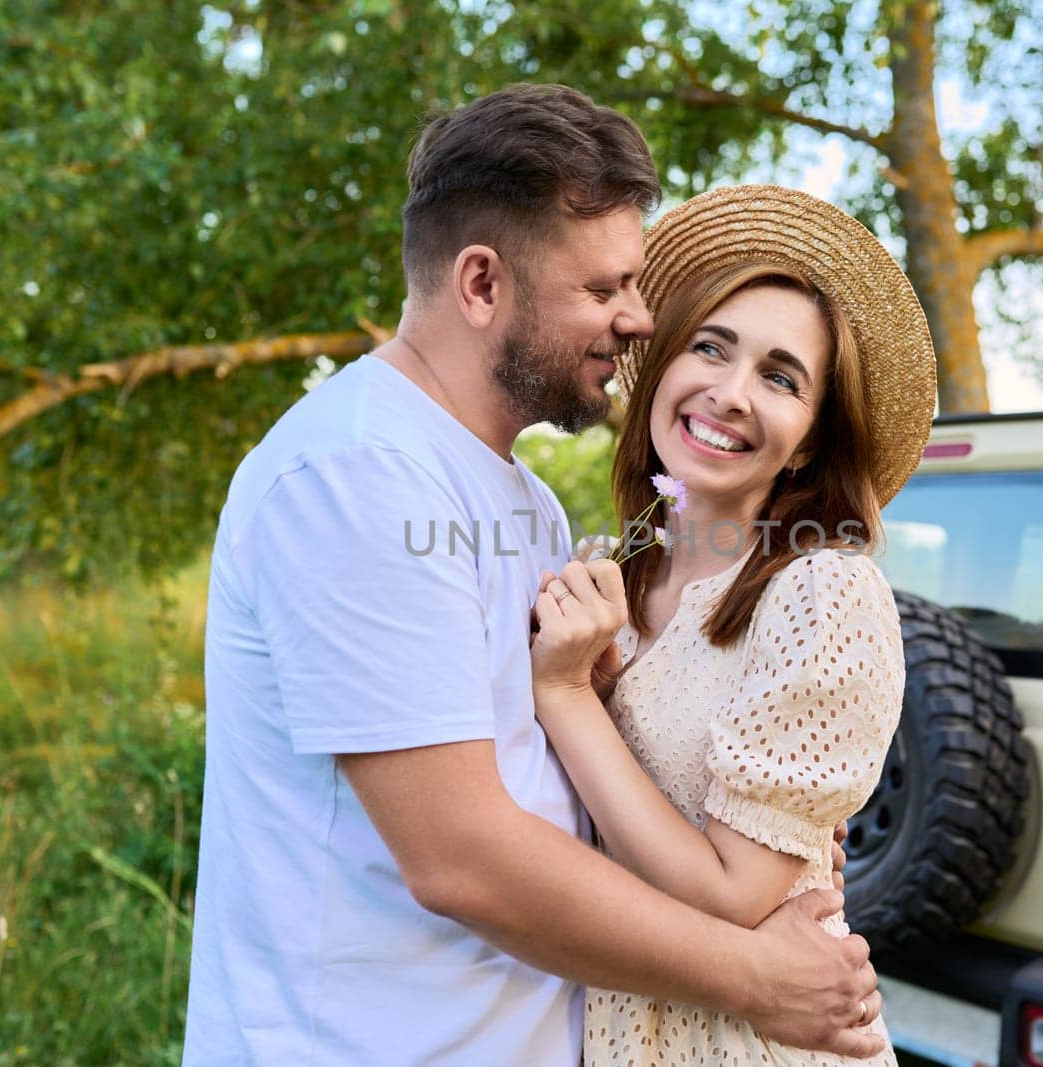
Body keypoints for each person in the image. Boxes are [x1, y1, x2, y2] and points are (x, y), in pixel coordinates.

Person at [182, 87, 886, 1064]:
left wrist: (782, 844)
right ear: (480, 283)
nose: (640, 322)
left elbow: (560, 768)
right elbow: (461, 858)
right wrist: (758, 974)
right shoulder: (357, 473)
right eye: (602, 290)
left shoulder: (532, 506)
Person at [528, 184, 938, 1064]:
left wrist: (566, 696)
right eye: (710, 348)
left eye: (780, 377)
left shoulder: (822, 593)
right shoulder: (612, 569)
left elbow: (735, 894)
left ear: (810, 443)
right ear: (666, 364)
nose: (730, 392)